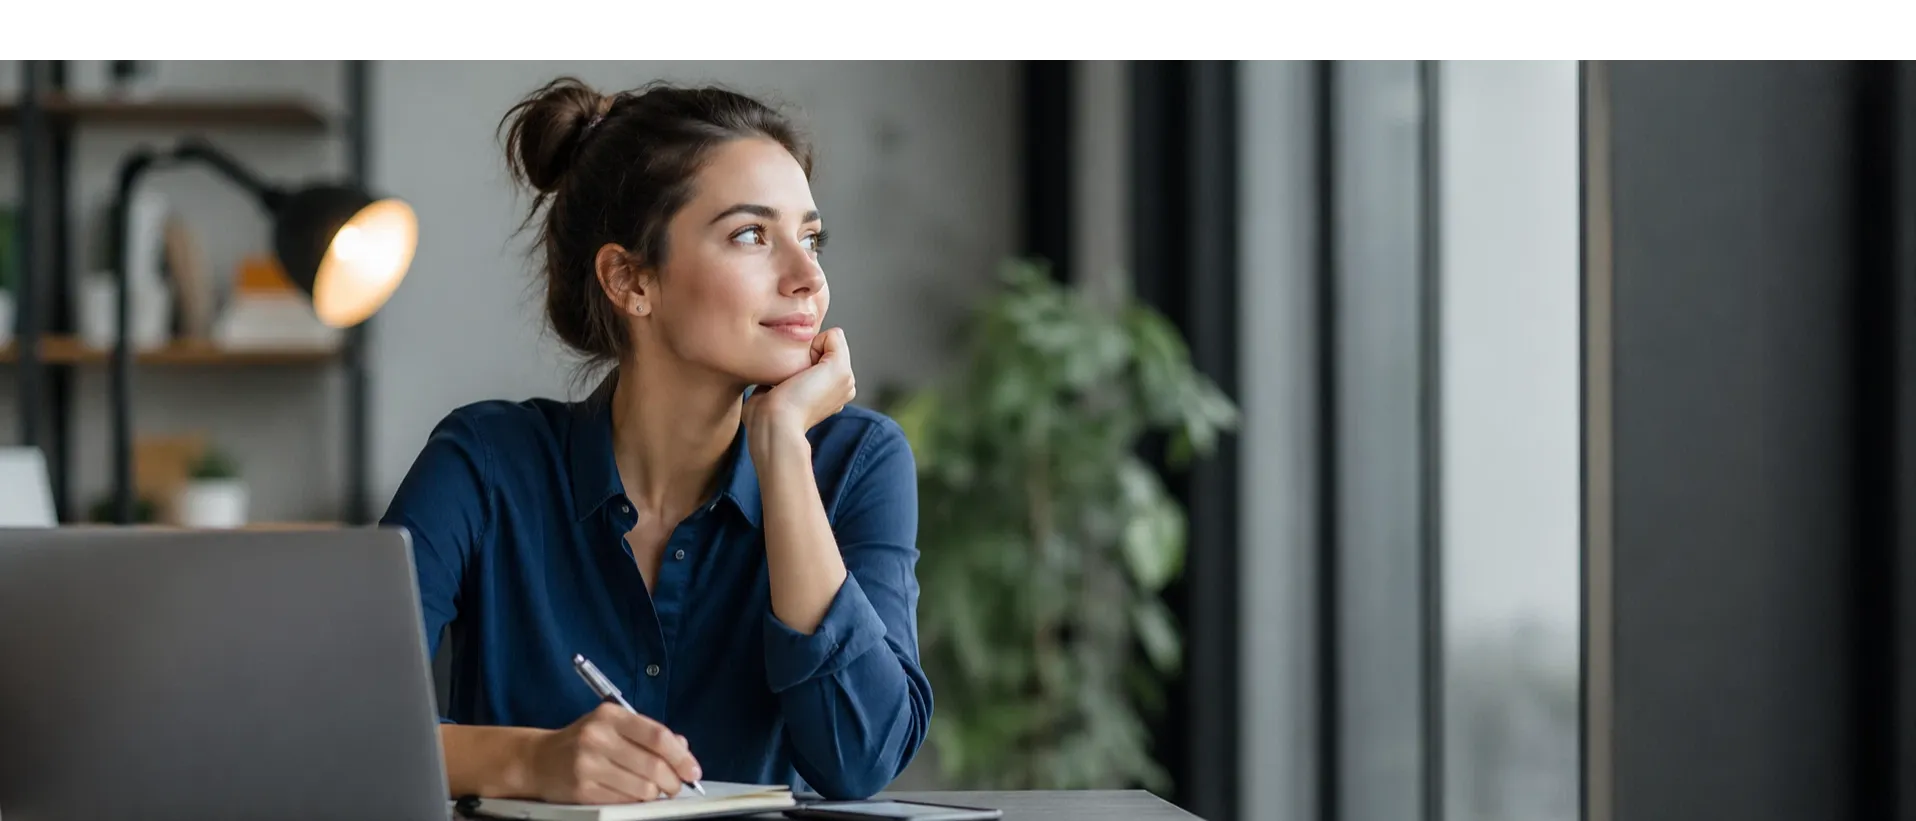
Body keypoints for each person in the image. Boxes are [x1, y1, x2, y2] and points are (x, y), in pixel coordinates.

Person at [381, 76, 932, 806]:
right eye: (751, 235)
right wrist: (531, 761)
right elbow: (341, 725)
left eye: (810, 238)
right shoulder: (484, 463)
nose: (809, 277)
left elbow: (861, 758)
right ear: (630, 280)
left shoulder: (856, 462)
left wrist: (782, 450)